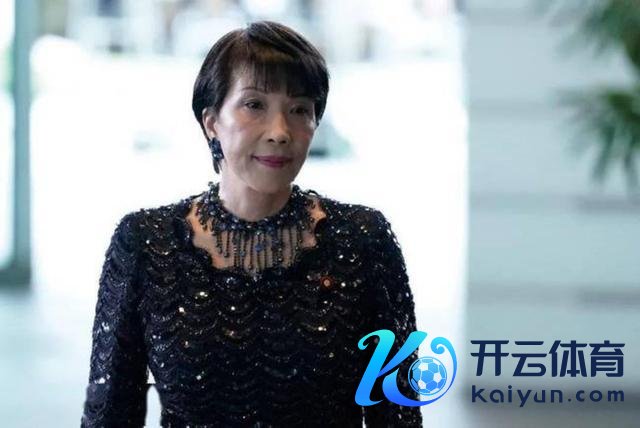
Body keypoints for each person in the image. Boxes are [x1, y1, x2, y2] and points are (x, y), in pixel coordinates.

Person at [80, 20, 423, 428]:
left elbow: (398, 415)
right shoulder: (146, 243)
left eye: (299, 110)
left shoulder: (363, 240)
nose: (280, 132)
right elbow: (110, 415)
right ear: (211, 121)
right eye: (254, 105)